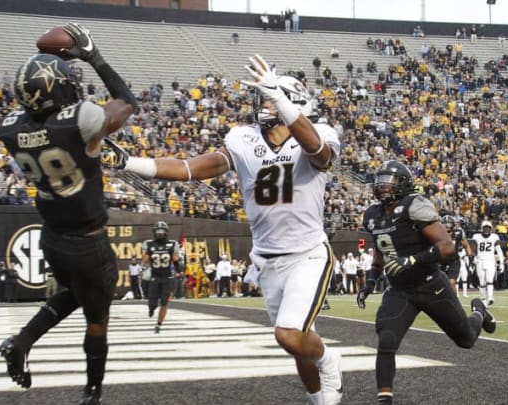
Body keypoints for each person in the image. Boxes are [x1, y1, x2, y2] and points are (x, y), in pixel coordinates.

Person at [106, 54, 344, 405]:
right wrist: (131, 162)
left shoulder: (317, 131)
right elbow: (193, 167)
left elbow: (320, 154)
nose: (262, 104)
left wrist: (279, 97)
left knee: (290, 335)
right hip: (267, 257)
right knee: (294, 344)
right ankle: (321, 401)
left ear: (290, 101)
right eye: (263, 98)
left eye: (270, 98)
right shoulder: (244, 138)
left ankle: (328, 359)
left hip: (307, 252)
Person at [0, 22, 137, 405]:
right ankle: (92, 394)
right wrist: (93, 56)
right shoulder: (80, 120)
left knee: (75, 294)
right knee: (97, 321)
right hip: (88, 241)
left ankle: (22, 341)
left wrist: (39, 77)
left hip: (53, 237)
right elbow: (127, 100)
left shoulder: (9, 128)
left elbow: (33, 110)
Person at [357, 161, 496, 405]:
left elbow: (447, 247)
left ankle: (479, 312)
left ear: (403, 184)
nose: (383, 186)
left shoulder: (414, 205)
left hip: (431, 284)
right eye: (381, 181)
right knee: (387, 340)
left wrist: (412, 260)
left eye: (389, 181)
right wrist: (371, 280)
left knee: (465, 339)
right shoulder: (373, 215)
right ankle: (384, 400)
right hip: (400, 289)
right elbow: (380, 249)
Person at [143, 221, 182, 334]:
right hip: (154, 278)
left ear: (166, 232)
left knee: (164, 302)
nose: (160, 233)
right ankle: (151, 309)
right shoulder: (150, 245)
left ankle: (158, 325)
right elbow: (144, 261)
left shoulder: (171, 244)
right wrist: (148, 254)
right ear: (154, 232)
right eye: (158, 231)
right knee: (152, 303)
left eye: (162, 231)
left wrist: (179, 272)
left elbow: (175, 261)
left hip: (167, 278)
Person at [471, 220, 504, 305]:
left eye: (488, 228)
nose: (486, 230)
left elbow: (499, 251)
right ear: (482, 228)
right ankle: (483, 300)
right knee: (482, 282)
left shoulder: (494, 237)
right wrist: (473, 260)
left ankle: (490, 297)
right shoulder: (476, 236)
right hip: (480, 261)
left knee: (489, 280)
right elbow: (473, 250)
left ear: (491, 229)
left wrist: (501, 263)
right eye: (485, 228)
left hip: (490, 261)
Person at [442, 216, 474, 296]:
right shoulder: (438, 233)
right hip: (441, 261)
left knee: (451, 283)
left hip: (454, 261)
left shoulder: (458, 233)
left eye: (448, 225)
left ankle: (453, 301)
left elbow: (466, 245)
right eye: (445, 225)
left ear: (452, 225)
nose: (447, 227)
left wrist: (470, 256)